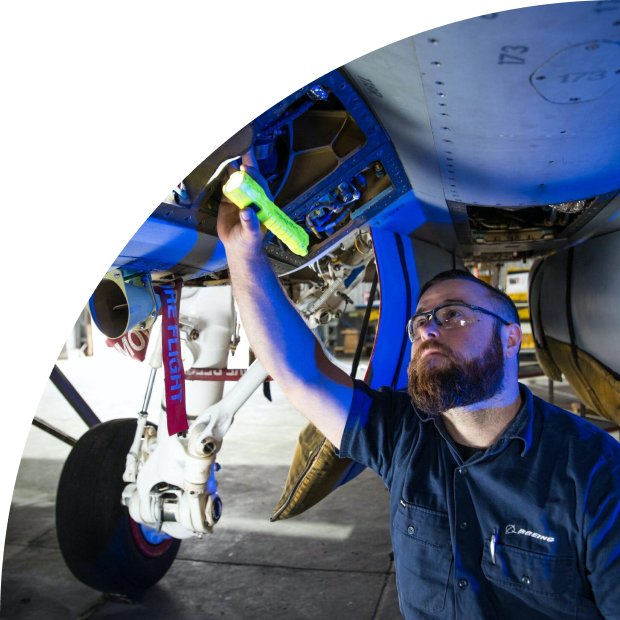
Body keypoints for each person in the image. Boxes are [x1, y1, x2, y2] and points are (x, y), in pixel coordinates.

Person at [217, 157, 620, 619]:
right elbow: (299, 374)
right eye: (421, 322)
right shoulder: (403, 434)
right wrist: (241, 252)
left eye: (452, 315)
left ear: (511, 338)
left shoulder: (594, 473)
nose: (428, 330)